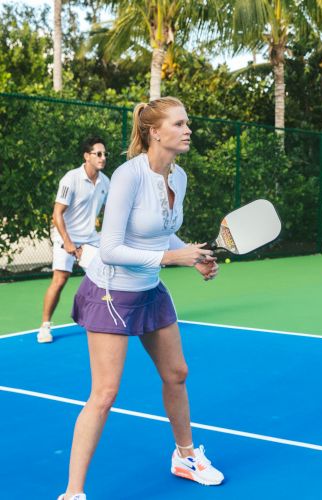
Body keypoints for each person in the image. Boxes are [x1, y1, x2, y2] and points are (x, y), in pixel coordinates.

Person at [58, 97, 223, 500]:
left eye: (188, 123)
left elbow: (162, 229)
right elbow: (110, 247)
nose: (188, 130)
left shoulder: (178, 177)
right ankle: (73, 492)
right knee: (105, 394)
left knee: (176, 373)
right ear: (155, 132)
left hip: (149, 290)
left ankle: (185, 456)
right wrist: (172, 258)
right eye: (180, 124)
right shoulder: (128, 176)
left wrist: (193, 257)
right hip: (112, 292)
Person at [37, 137, 110, 343]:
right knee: (60, 279)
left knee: (103, 279)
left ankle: (99, 319)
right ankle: (44, 327)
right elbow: (57, 214)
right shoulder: (71, 179)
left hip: (90, 238)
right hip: (65, 234)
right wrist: (68, 242)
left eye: (105, 154)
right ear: (87, 156)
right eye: (98, 154)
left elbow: (112, 212)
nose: (103, 158)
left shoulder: (106, 182)